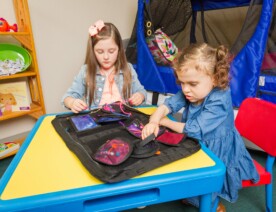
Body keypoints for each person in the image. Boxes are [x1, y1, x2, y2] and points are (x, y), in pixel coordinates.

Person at [141, 43, 259, 211]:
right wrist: (155, 119)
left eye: (192, 84)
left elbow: (195, 128)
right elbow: (169, 104)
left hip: (218, 148)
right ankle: (194, 196)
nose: (185, 89)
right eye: (182, 83)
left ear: (214, 78)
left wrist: (165, 122)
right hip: (198, 141)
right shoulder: (191, 89)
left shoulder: (220, 98)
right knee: (188, 176)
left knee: (207, 184)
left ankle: (212, 205)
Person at [62, 20, 147, 113]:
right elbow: (67, 97)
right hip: (97, 122)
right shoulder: (85, 71)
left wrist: (140, 96)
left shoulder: (128, 69)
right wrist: (72, 102)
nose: (106, 57)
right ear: (93, 51)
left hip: (123, 120)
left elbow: (141, 91)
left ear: (119, 49)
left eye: (111, 51)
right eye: (100, 52)